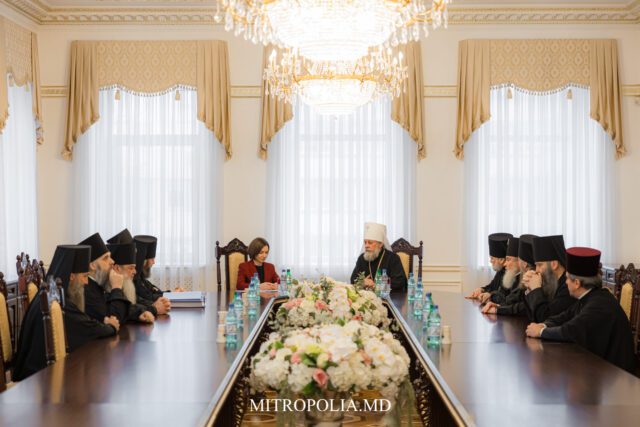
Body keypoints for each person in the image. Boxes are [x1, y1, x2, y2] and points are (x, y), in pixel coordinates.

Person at [13, 245, 119, 381]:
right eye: (85, 276)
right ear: (71, 276)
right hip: (39, 379)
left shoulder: (52, 293)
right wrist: (111, 327)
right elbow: (89, 328)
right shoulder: (56, 301)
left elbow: (83, 322)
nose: (86, 282)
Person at [526, 247, 636, 374]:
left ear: (577, 283)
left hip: (616, 373)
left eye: (567, 278)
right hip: (598, 364)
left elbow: (571, 331)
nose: (566, 282)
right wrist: (543, 325)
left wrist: (541, 332)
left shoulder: (599, 304)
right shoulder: (589, 297)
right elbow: (564, 317)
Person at [80, 232, 131, 323]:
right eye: (106, 258)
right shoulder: (85, 290)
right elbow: (115, 318)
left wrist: (140, 313)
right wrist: (116, 287)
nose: (112, 261)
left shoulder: (99, 284)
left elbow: (123, 308)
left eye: (110, 257)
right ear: (92, 265)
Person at [523, 235, 575, 322]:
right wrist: (530, 289)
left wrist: (535, 289)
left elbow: (544, 318)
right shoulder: (549, 282)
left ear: (554, 264)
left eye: (540, 265)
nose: (536, 270)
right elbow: (531, 315)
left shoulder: (568, 286)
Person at [483, 234, 536, 316]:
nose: (504, 264)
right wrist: (498, 306)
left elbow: (521, 306)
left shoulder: (531, 279)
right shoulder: (512, 276)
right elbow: (509, 300)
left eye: (508, 259)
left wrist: (498, 307)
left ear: (523, 263)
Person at [107, 239, 155, 323]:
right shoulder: (107, 289)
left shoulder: (126, 286)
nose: (135, 272)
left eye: (134, 268)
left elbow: (133, 304)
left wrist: (142, 311)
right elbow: (119, 312)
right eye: (131, 268)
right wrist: (154, 308)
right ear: (117, 268)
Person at [350, 222, 407, 292]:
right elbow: (353, 279)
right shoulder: (362, 258)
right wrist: (362, 282)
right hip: (367, 296)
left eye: (370, 242)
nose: (366, 246)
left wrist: (377, 285)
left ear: (380, 244)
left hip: (387, 297)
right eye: (365, 242)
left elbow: (399, 282)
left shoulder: (393, 258)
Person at [466, 233, 512, 300]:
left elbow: (504, 295)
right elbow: (492, 286)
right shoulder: (500, 269)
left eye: (492, 258)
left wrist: (490, 295)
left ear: (501, 260)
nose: (490, 261)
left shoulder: (511, 273)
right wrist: (481, 289)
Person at [134, 235, 171, 316]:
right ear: (144, 261)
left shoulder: (141, 277)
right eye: (152, 259)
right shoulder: (134, 278)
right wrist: (171, 296)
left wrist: (173, 294)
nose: (154, 262)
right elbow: (148, 297)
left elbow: (154, 291)